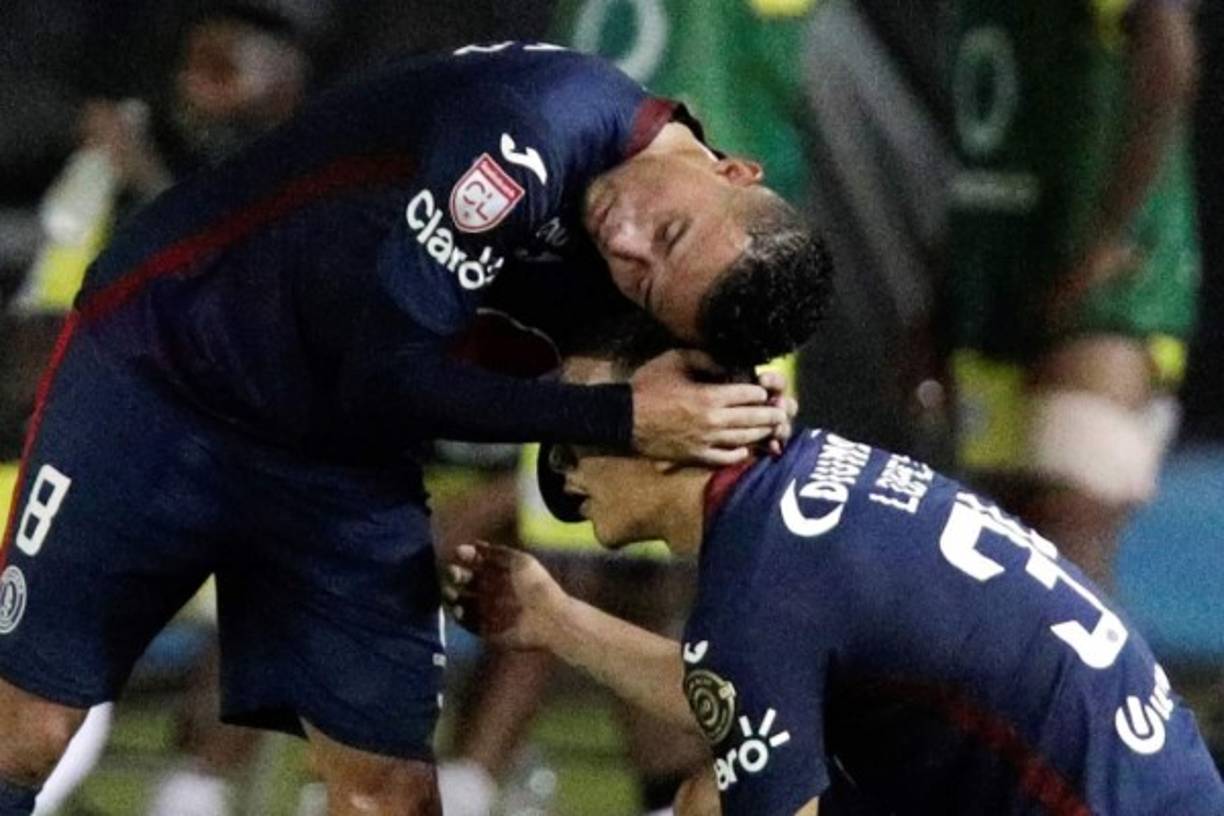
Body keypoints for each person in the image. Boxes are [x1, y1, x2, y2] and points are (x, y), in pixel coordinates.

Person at [0, 42, 831, 816]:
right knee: (27, 735)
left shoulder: (647, 275)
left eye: (649, 279)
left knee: (389, 794)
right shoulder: (532, 130)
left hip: (340, 446)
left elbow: (572, 479)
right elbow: (389, 373)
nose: (626, 243)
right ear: (732, 164)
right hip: (166, 368)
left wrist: (732, 424)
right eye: (669, 229)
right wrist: (628, 416)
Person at [445, 350, 1224, 815]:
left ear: (679, 437)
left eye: (594, 429)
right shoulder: (801, 480)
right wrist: (557, 621)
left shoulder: (761, 582)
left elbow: (755, 686)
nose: (563, 465)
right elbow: (748, 691)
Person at [943, 0, 1200, 587]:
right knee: (996, 553)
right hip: (996, 270)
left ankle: (1115, 684)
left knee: (1069, 534)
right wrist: (942, 290)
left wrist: (1109, 234)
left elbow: (1170, 52)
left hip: (1104, 295)